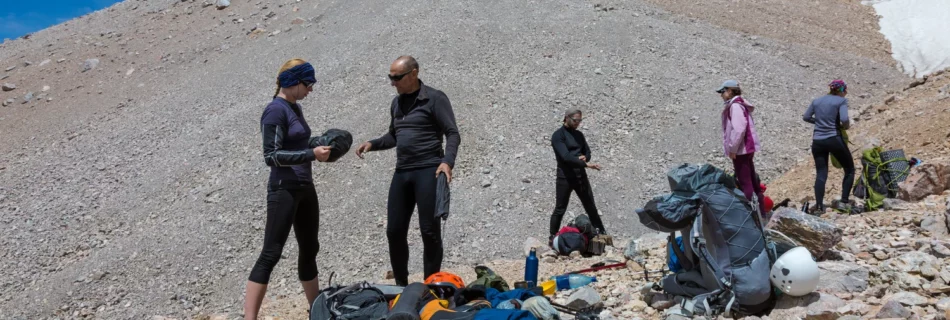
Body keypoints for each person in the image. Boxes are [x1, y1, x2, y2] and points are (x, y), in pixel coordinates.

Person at [355, 56, 461, 286]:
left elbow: (452, 133)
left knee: (429, 231)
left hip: (428, 170)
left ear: (414, 73)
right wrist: (373, 144)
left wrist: (447, 162)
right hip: (402, 172)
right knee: (394, 230)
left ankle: (430, 285)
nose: (393, 83)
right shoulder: (397, 103)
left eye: (397, 77)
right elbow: (395, 135)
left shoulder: (434, 98)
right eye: (390, 78)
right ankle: (401, 287)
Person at [244, 58, 332, 320]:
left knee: (309, 248)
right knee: (271, 253)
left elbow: (298, 144)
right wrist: (311, 154)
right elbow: (271, 155)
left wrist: (323, 144)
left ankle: (316, 310)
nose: (311, 90)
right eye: (309, 84)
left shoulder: (296, 108)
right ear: (293, 82)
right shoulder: (275, 110)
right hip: (284, 188)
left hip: (305, 186)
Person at [549, 109, 607, 243]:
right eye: (575, 120)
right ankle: (552, 237)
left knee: (590, 205)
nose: (578, 123)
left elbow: (587, 152)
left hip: (580, 176)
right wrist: (585, 164)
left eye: (580, 121)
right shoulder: (558, 135)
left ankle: (601, 233)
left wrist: (585, 158)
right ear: (566, 118)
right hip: (565, 177)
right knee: (560, 208)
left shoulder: (579, 135)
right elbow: (565, 156)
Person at [802, 79, 855, 214]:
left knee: (821, 172)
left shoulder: (817, 101)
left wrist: (818, 122)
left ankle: (819, 205)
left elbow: (806, 117)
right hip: (834, 138)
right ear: (841, 90)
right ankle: (844, 201)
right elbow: (844, 119)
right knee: (849, 169)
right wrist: (845, 127)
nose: (846, 93)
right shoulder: (841, 101)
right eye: (845, 90)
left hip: (817, 141)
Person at [717, 80, 766, 215]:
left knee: (745, 182)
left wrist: (733, 148)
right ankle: (761, 211)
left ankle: (752, 214)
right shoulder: (739, 105)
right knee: (752, 180)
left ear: (730, 91)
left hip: (741, 149)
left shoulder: (735, 107)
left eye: (723, 91)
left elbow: (738, 129)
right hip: (746, 149)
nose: (721, 94)